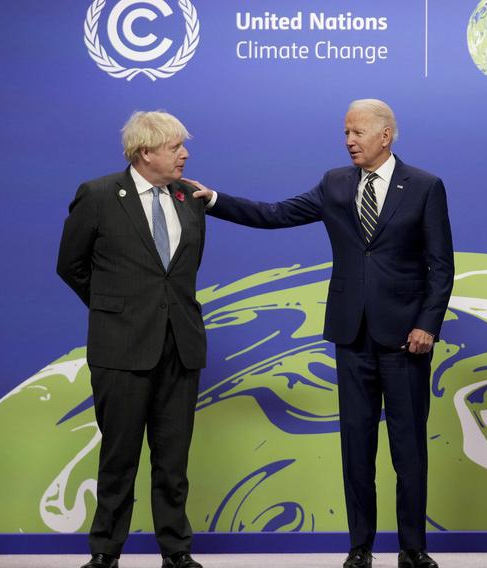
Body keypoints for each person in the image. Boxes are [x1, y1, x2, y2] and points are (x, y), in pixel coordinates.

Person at [186, 99, 453, 568]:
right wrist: (214, 201)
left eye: (357, 132)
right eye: (345, 133)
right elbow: (275, 214)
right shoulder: (335, 184)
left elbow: (441, 266)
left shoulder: (426, 187)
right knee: (356, 448)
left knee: (408, 450)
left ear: (386, 135)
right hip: (352, 338)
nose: (349, 140)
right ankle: (360, 548)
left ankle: (413, 549)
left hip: (405, 340)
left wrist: (426, 324)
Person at [57, 111, 206, 568]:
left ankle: (176, 552)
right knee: (119, 458)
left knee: (173, 461)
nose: (185, 154)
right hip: (120, 350)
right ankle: (105, 553)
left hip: (179, 347)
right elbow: (71, 266)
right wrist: (115, 310)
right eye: (175, 147)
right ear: (145, 152)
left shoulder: (190, 197)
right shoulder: (98, 195)